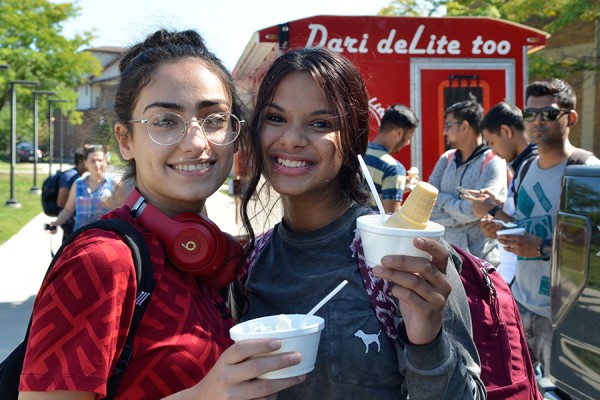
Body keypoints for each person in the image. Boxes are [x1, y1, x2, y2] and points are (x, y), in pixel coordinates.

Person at [19, 29, 305, 399]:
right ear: (125, 140)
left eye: (215, 119)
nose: (196, 143)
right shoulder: (102, 262)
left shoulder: (211, 258)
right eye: (166, 122)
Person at [236, 47, 485, 399]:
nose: (291, 139)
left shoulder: (401, 255)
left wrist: (428, 342)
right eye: (275, 118)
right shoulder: (249, 263)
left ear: (352, 137)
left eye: (320, 123)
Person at [494, 78, 600, 378]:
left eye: (549, 114)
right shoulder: (526, 167)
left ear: (571, 117)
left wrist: (539, 247)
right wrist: (502, 227)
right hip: (521, 303)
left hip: (562, 316)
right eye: (530, 114)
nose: (537, 121)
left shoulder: (586, 171)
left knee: (561, 391)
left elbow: (596, 245)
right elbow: (527, 225)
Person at [463, 102, 538, 283]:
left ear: (506, 131)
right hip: (518, 276)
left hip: (526, 279)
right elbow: (523, 218)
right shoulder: (523, 166)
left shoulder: (533, 167)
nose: (493, 152)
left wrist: (492, 210)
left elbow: (535, 231)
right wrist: (500, 210)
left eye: (492, 142)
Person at [428, 94, 507, 266]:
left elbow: (475, 211)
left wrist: (441, 200)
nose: (444, 131)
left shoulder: (493, 162)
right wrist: (460, 211)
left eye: (448, 125)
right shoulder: (446, 158)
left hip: (480, 263)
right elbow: (428, 203)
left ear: (464, 126)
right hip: (444, 259)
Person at [47, 144, 114, 233]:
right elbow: (68, 210)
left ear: (105, 161)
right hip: (80, 236)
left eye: (100, 160)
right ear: (85, 163)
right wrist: (56, 223)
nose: (97, 164)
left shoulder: (115, 184)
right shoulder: (78, 183)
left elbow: (121, 213)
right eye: (92, 161)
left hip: (103, 237)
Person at [364, 104, 418, 213]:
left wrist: (398, 186)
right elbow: (390, 219)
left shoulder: (357, 152)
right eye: (409, 137)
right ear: (399, 133)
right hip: (372, 230)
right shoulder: (394, 169)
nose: (408, 143)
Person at [56, 147, 88, 240]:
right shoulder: (70, 176)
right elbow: (60, 202)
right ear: (82, 162)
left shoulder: (82, 176)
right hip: (70, 222)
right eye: (90, 161)